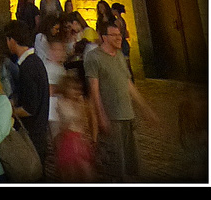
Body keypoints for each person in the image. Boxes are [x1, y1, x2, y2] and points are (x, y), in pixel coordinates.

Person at [85, 20, 158, 181]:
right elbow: (94, 91)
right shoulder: (93, 58)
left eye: (120, 34)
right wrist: (101, 115)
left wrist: (145, 108)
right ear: (104, 37)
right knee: (116, 165)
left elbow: (128, 83)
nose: (119, 38)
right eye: (115, 35)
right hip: (113, 118)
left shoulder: (119, 55)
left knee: (132, 164)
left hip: (128, 115)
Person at [5, 19, 49, 174]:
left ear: (12, 40)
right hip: (40, 131)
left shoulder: (27, 67)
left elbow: (30, 108)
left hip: (33, 134)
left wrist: (8, 112)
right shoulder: (36, 61)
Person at [54, 72, 95, 181]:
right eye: (74, 89)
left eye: (78, 89)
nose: (77, 92)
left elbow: (84, 120)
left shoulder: (79, 102)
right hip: (68, 141)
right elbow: (65, 123)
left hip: (80, 140)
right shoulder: (62, 103)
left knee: (87, 172)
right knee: (71, 173)